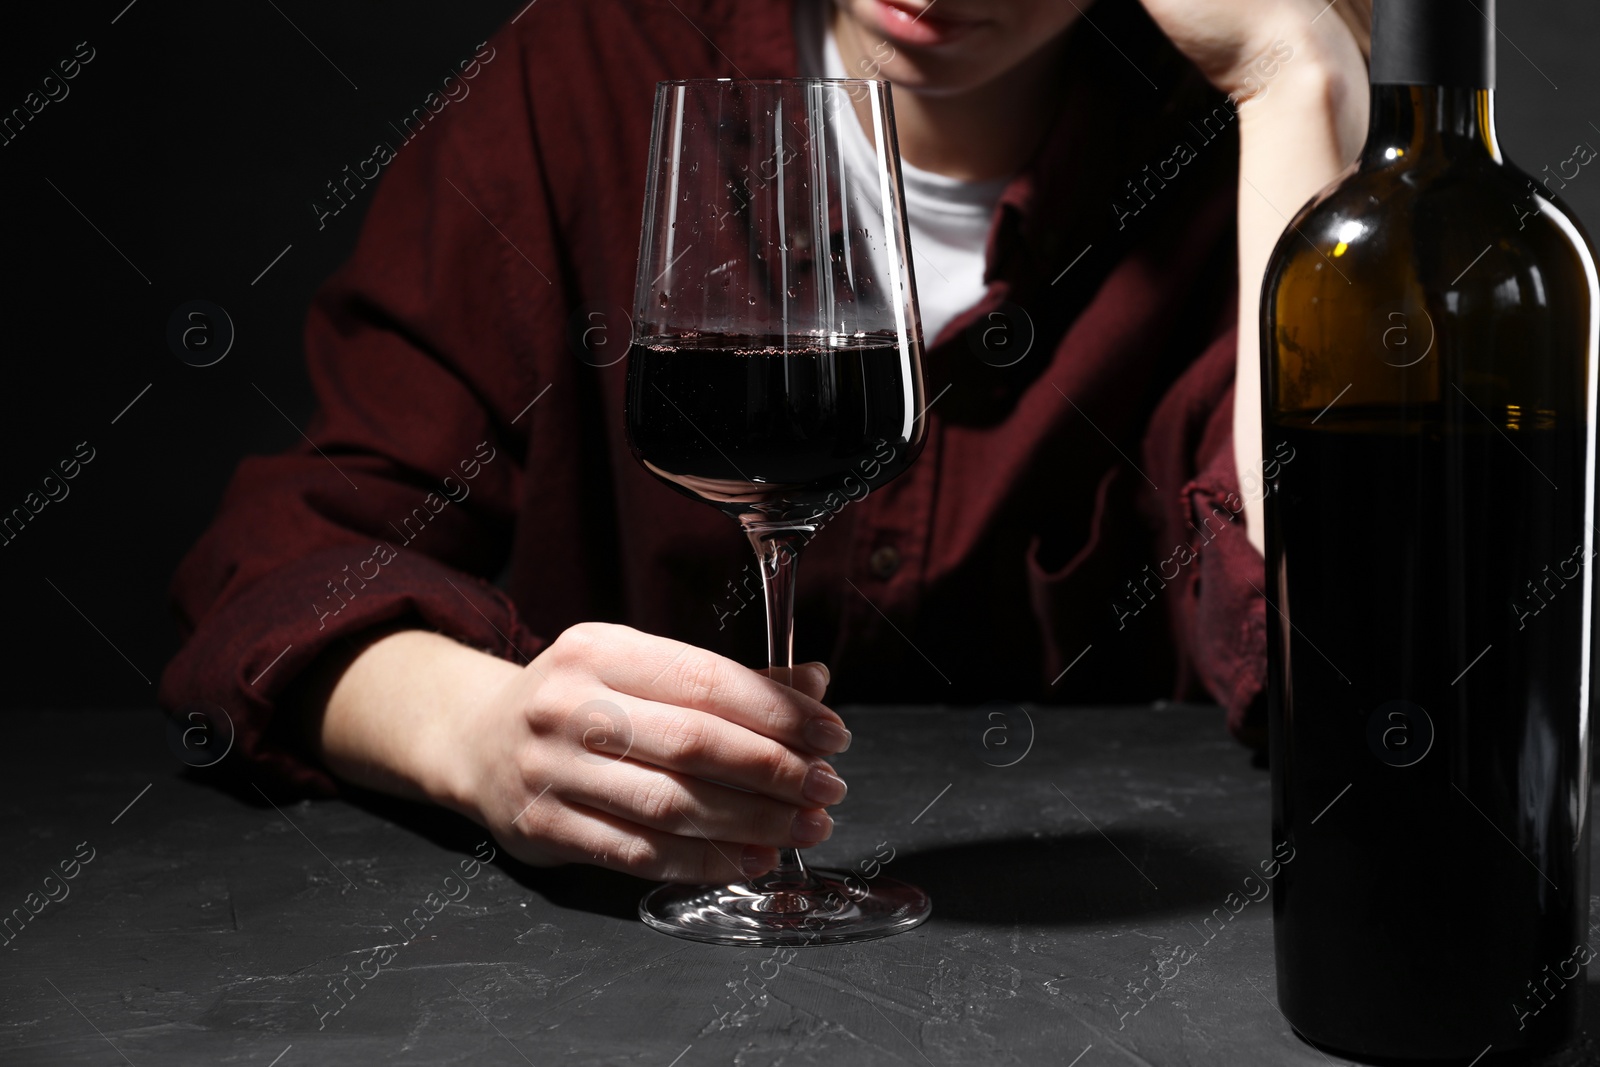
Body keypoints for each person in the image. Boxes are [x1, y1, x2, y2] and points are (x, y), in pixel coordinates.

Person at [162, 0, 1371, 884]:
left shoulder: (1232, 168)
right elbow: (281, 565)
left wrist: (1295, 86)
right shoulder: (582, 76)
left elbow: (1353, 653)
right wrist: (480, 737)